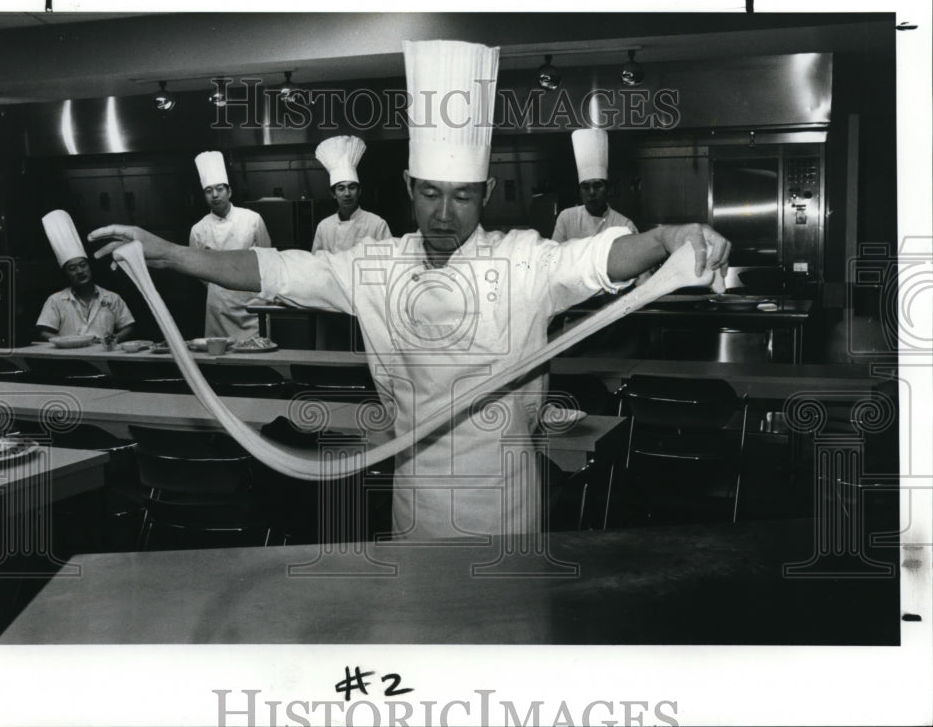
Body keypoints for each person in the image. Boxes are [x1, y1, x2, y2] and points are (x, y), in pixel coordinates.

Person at [89, 40, 730, 542]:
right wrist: (173, 254)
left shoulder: (523, 260)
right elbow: (277, 270)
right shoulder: (377, 266)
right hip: (412, 492)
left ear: (485, 193)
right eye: (429, 193)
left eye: (461, 196)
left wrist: (668, 235)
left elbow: (599, 260)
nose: (444, 213)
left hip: (503, 499)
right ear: (407, 185)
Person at [189, 151, 271, 338]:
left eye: (219, 189)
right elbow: (196, 268)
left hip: (252, 300)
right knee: (222, 358)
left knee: (256, 354)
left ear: (229, 191)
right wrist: (218, 287)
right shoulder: (198, 229)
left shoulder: (252, 219)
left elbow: (267, 259)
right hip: (218, 305)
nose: (215, 195)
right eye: (208, 191)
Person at [37, 210, 135, 343]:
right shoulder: (55, 300)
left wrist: (115, 338)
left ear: (89, 267)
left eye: (83, 265)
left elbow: (128, 326)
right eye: (72, 268)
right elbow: (44, 332)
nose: (79, 271)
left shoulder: (112, 298)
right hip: (69, 358)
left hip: (104, 356)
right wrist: (66, 342)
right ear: (66, 273)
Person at [552, 128, 639, 243]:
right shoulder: (567, 218)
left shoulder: (624, 226)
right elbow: (554, 255)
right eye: (586, 187)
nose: (592, 192)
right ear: (580, 192)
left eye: (597, 186)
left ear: (608, 190)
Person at [311, 135, 391, 254]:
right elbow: (317, 264)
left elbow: (388, 260)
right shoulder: (324, 227)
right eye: (341, 188)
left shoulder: (377, 224)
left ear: (359, 191)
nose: (347, 193)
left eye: (352, 187)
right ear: (333, 194)